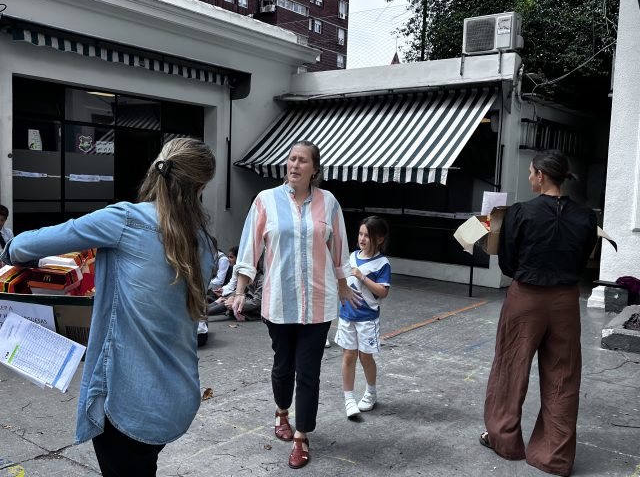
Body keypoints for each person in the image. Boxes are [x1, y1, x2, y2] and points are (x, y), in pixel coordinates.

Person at [1, 138, 217, 476]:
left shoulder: (125, 220)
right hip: (178, 399)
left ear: (155, 169)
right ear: (201, 187)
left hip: (128, 405)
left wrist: (9, 251)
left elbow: (30, 244)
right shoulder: (203, 242)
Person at [232, 140, 361, 469]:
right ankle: (281, 411)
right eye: (291, 159)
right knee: (283, 367)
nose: (294, 165)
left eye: (302, 160)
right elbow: (249, 247)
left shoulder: (329, 202)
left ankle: (302, 436)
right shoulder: (265, 200)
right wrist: (240, 290)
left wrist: (344, 288)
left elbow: (339, 249)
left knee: (308, 372)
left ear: (314, 169)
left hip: (318, 303)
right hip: (279, 301)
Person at [480, 150, 598, 476]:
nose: (530, 177)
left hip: (526, 299)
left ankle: (505, 440)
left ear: (542, 175)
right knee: (563, 375)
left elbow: (507, 262)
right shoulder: (586, 218)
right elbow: (581, 262)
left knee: (510, 368)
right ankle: (554, 456)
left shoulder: (521, 213)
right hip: (565, 302)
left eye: (532, 172)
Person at [336, 216, 391, 418]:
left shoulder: (382, 263)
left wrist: (362, 276)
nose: (362, 238)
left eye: (367, 235)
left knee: (365, 356)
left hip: (367, 318)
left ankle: (370, 392)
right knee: (348, 355)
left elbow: (383, 291)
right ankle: (349, 399)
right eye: (360, 234)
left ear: (380, 239)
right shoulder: (351, 256)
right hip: (346, 315)